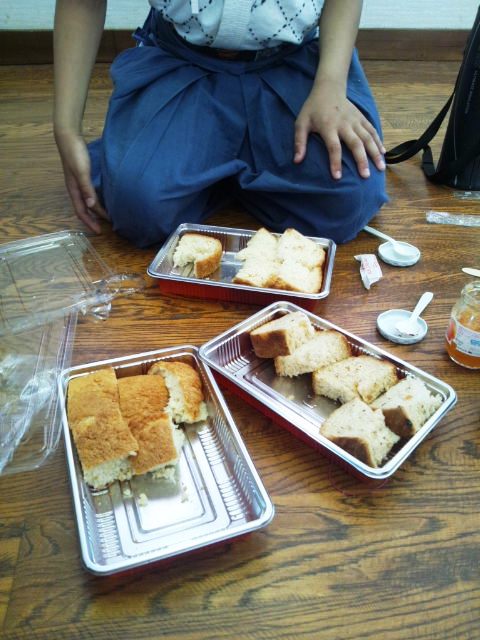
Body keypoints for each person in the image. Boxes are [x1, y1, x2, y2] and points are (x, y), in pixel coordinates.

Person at [53, 0, 387, 248]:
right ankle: (214, 163)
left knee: (350, 202)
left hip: (290, 62)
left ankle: (203, 167)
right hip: (181, 60)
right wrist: (66, 129)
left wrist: (330, 85)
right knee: (137, 209)